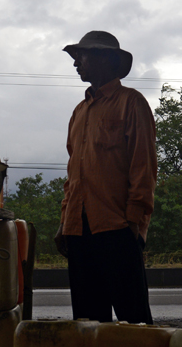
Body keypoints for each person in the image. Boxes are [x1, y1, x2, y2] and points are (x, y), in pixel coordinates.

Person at [53, 31, 157, 323]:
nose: (76, 64)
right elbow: (74, 173)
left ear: (105, 60)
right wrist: (65, 221)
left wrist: (134, 222)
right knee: (88, 324)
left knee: (134, 322)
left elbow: (143, 165)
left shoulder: (131, 103)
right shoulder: (79, 111)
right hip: (79, 230)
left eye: (81, 57)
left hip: (118, 226)